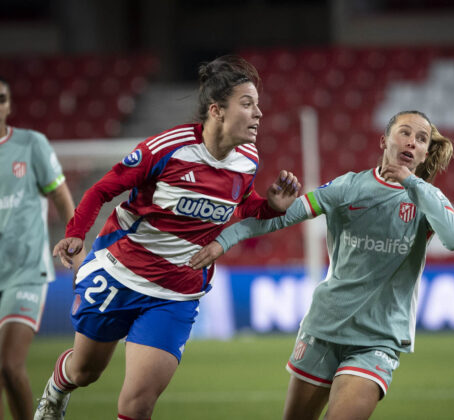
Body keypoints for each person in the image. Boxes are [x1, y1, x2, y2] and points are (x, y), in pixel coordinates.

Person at [34, 55, 301, 420]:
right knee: (85, 372)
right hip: (121, 273)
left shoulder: (248, 160)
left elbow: (242, 207)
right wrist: (76, 234)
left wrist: (270, 206)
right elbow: (101, 189)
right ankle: (55, 391)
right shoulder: (166, 148)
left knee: (137, 404)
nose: (259, 114)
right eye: (247, 104)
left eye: (258, 105)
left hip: (176, 291)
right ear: (217, 110)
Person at [189, 110, 454, 420]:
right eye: (404, 133)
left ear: (426, 152)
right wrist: (223, 241)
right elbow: (285, 216)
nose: (412, 142)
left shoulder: (429, 200)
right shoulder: (347, 188)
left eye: (421, 139)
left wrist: (412, 183)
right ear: (384, 140)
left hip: (378, 340)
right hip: (324, 329)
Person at [0, 77, 80, 420]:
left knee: (8, 365)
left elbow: (61, 196)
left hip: (25, 272)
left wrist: (76, 242)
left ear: (9, 104)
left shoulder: (30, 145)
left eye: (1, 97)